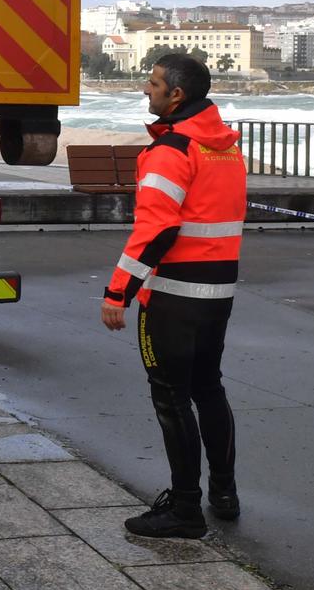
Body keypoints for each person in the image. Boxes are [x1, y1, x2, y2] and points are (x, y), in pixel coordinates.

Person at [100, 53, 247, 540]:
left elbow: (156, 230)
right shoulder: (225, 148)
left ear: (176, 94)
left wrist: (118, 292)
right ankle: (223, 493)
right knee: (209, 388)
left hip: (172, 296)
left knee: (171, 398)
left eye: (154, 82)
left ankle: (185, 509)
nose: (147, 88)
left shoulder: (171, 149)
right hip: (218, 290)